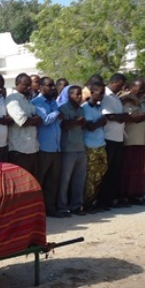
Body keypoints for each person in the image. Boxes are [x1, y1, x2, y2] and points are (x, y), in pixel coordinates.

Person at [32, 77, 63, 216]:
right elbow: (45, 120)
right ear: (41, 87)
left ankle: (51, 209)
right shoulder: (36, 102)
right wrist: (57, 113)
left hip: (56, 147)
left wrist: (55, 114)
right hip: (44, 148)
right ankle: (37, 210)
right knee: (40, 180)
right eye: (49, 86)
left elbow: (56, 119)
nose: (52, 88)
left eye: (53, 85)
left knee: (53, 180)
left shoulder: (53, 102)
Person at [99, 73, 131, 207]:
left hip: (118, 138)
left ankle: (110, 199)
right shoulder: (106, 96)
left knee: (115, 170)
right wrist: (124, 116)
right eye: (120, 85)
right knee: (107, 170)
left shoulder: (116, 98)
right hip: (109, 138)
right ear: (114, 82)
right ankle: (102, 200)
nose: (121, 88)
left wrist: (122, 116)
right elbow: (109, 116)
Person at [119, 79, 145, 205]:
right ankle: (124, 195)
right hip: (131, 140)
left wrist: (144, 116)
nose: (143, 90)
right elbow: (130, 117)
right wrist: (144, 116)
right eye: (140, 87)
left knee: (139, 170)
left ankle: (136, 195)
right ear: (133, 87)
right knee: (128, 169)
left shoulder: (141, 103)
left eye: (144, 88)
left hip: (142, 140)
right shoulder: (125, 100)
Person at [57, 85, 88, 216]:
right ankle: (62, 207)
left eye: (80, 94)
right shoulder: (63, 108)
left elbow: (84, 125)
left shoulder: (81, 109)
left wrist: (82, 122)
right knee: (64, 180)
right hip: (68, 148)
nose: (79, 97)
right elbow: (64, 125)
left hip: (80, 147)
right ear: (70, 95)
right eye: (77, 94)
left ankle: (77, 206)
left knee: (79, 180)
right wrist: (76, 121)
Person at [5, 73, 41, 176]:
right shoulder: (13, 99)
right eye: (25, 85)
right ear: (17, 84)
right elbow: (23, 121)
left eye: (29, 85)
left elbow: (38, 118)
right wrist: (34, 120)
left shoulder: (26, 100)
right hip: (19, 149)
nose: (29, 87)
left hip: (32, 147)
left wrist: (34, 119)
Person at [81, 82, 109, 211]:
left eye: (103, 93)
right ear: (92, 93)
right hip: (90, 145)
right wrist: (101, 121)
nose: (102, 95)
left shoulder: (98, 107)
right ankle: (87, 203)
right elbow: (90, 126)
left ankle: (94, 200)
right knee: (91, 176)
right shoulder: (85, 108)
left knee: (101, 173)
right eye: (100, 93)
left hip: (100, 144)